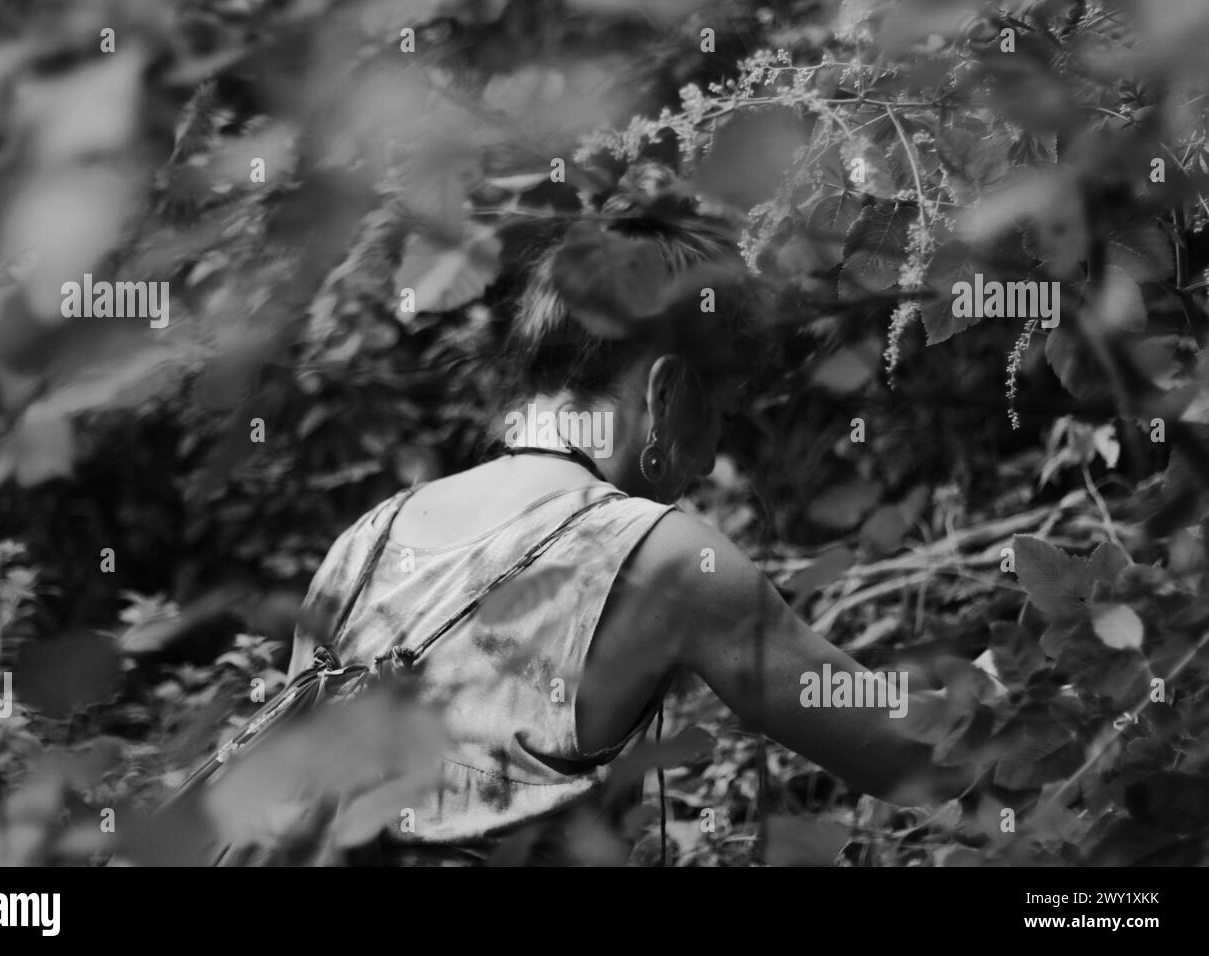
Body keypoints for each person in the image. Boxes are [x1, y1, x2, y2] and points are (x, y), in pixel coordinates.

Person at [288, 170, 974, 865]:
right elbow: (899, 755)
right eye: (722, 415)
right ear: (667, 390)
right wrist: (1014, 697)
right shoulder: (663, 558)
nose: (707, 463)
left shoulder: (364, 543)